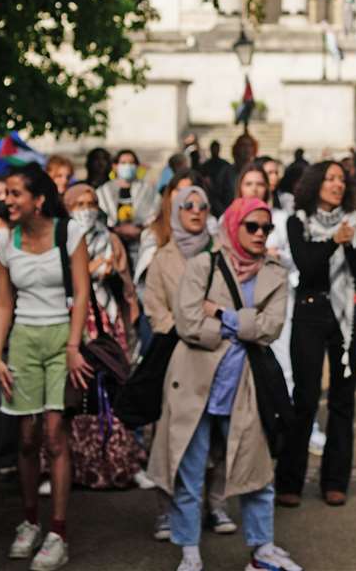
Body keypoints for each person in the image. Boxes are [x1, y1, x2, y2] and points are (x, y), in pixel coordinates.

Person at [148, 197, 298, 571]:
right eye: (252, 226)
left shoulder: (275, 272)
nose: (261, 234)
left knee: (256, 470)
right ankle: (190, 550)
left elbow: (269, 328)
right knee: (189, 469)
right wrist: (244, 324)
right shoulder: (203, 265)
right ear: (233, 226)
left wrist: (223, 315)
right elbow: (188, 324)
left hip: (246, 383)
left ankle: (262, 549)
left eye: (266, 228)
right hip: (195, 379)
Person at [0, 165, 93, 570]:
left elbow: (82, 294)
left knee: (55, 435)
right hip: (23, 341)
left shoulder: (69, 235)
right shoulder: (4, 243)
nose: (9, 200)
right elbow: (3, 302)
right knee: (28, 437)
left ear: (38, 200)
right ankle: (29, 520)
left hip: (61, 337)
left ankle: (58, 531)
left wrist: (72, 344)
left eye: (16, 194)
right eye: (7, 193)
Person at [276, 161, 356, 507]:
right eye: (330, 179)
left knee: (343, 401)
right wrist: (333, 241)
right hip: (311, 311)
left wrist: (349, 242)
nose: (337, 185)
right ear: (316, 184)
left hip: (346, 315)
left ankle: (335, 480)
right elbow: (307, 265)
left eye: (341, 180)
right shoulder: (297, 221)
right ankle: (289, 480)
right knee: (305, 397)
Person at [142, 186, 232, 543]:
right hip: (177, 356)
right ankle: (167, 510)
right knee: (171, 435)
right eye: (188, 205)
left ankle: (216, 503)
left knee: (219, 433)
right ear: (176, 210)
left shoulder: (222, 253)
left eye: (202, 206)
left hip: (216, 352)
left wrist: (213, 332)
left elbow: (229, 300)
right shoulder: (163, 258)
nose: (195, 211)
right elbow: (155, 307)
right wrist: (183, 332)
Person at [57, 183, 147, 490]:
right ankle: (68, 467)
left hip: (107, 322)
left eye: (91, 202)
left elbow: (128, 287)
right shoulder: (59, 241)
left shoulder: (111, 240)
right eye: (79, 204)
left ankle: (122, 463)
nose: (87, 209)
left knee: (113, 390)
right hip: (73, 322)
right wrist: (87, 270)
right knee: (77, 394)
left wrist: (112, 274)